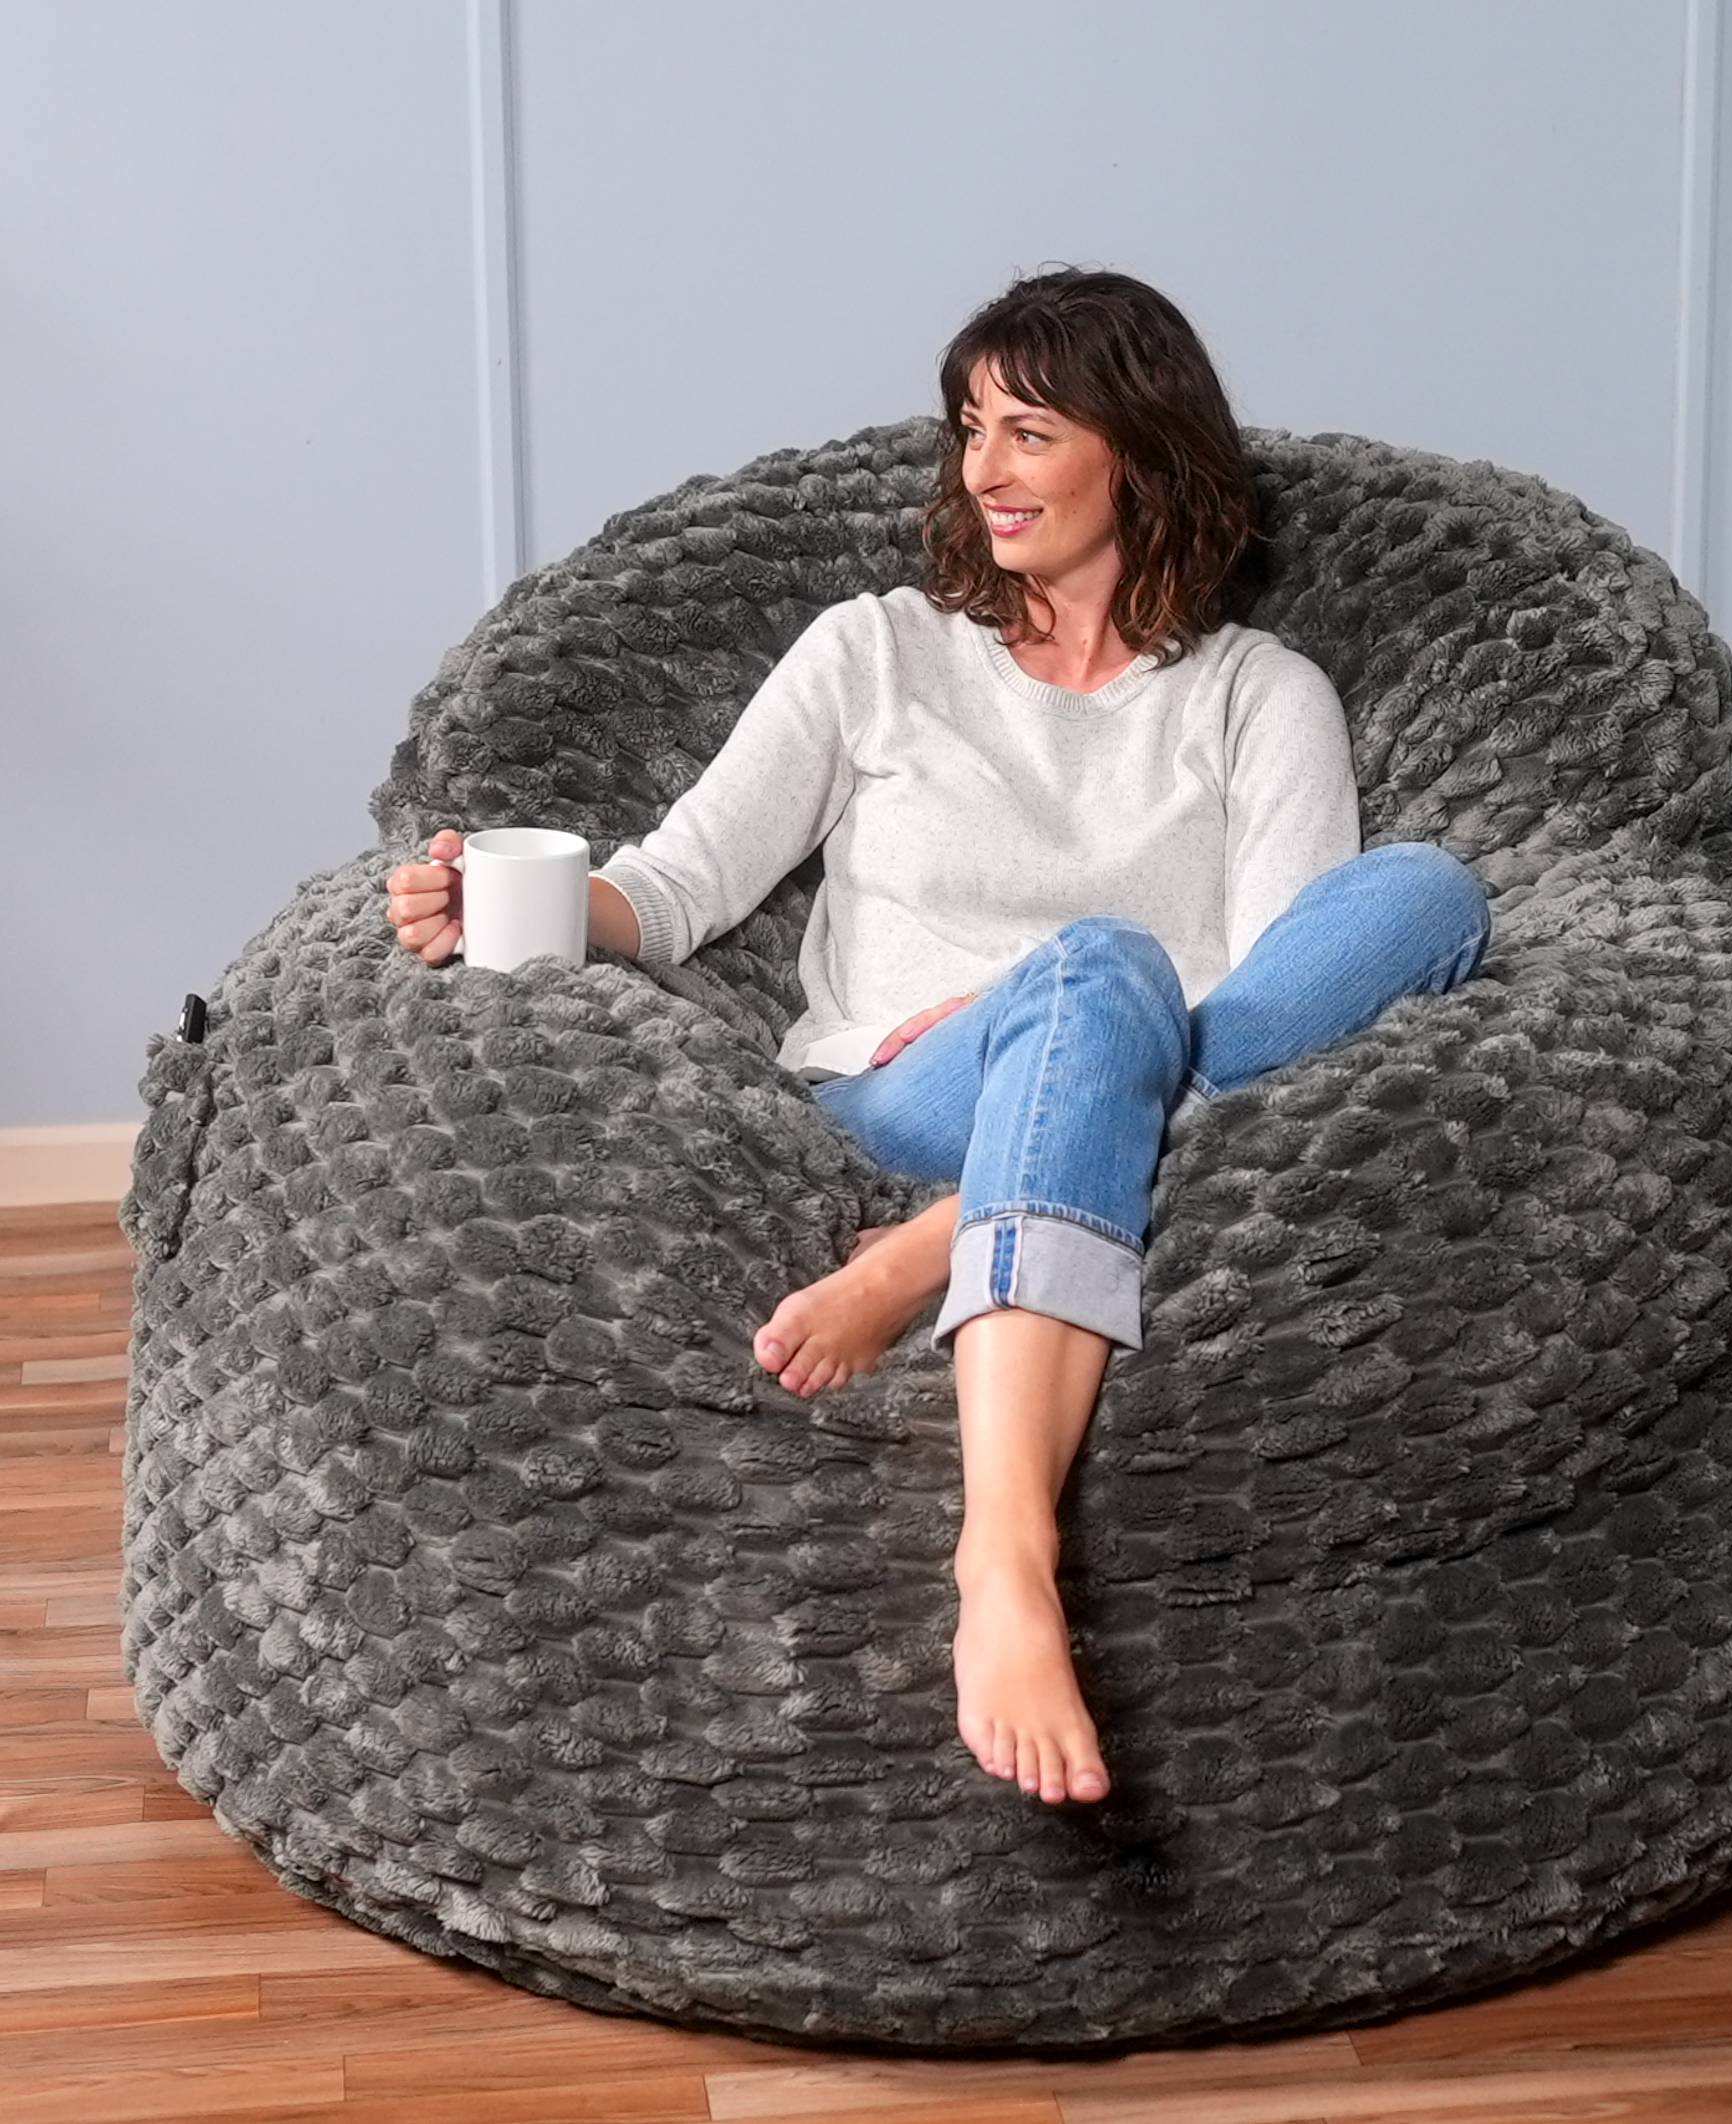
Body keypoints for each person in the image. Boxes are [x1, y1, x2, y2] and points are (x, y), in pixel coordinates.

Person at [381, 267, 1492, 1816]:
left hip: (1132, 1067)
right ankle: (1007, 1566)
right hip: (909, 1091)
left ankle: (932, 1253)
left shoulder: (1260, 694)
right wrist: (504, 909)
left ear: (1141, 454)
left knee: (1423, 897)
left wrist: (1074, 1010)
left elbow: (1276, 987)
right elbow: (679, 888)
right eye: (971, 430)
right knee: (1099, 970)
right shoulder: (876, 651)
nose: (982, 471)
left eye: (1029, 432)